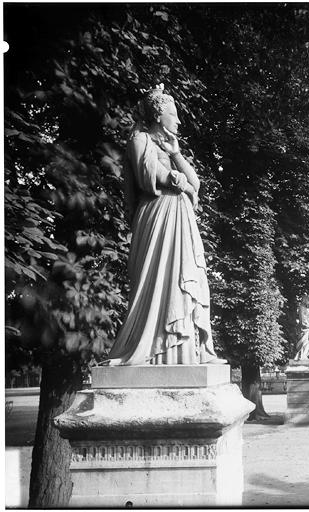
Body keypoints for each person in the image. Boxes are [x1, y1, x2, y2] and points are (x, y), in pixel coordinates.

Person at [107, 84, 223, 365]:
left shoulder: (169, 148)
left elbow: (195, 183)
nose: (179, 120)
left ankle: (188, 352)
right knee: (160, 279)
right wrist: (174, 179)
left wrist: (176, 154)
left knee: (185, 277)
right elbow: (149, 176)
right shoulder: (139, 139)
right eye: (174, 114)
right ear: (159, 115)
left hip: (179, 216)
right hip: (158, 215)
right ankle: (156, 349)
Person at [293, 295, 309, 360]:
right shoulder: (301, 307)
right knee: (304, 342)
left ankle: (306, 356)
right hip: (304, 328)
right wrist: (307, 325)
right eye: (308, 300)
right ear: (305, 300)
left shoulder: (304, 308)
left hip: (307, 328)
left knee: (308, 342)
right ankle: (302, 356)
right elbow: (302, 319)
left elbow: (306, 318)